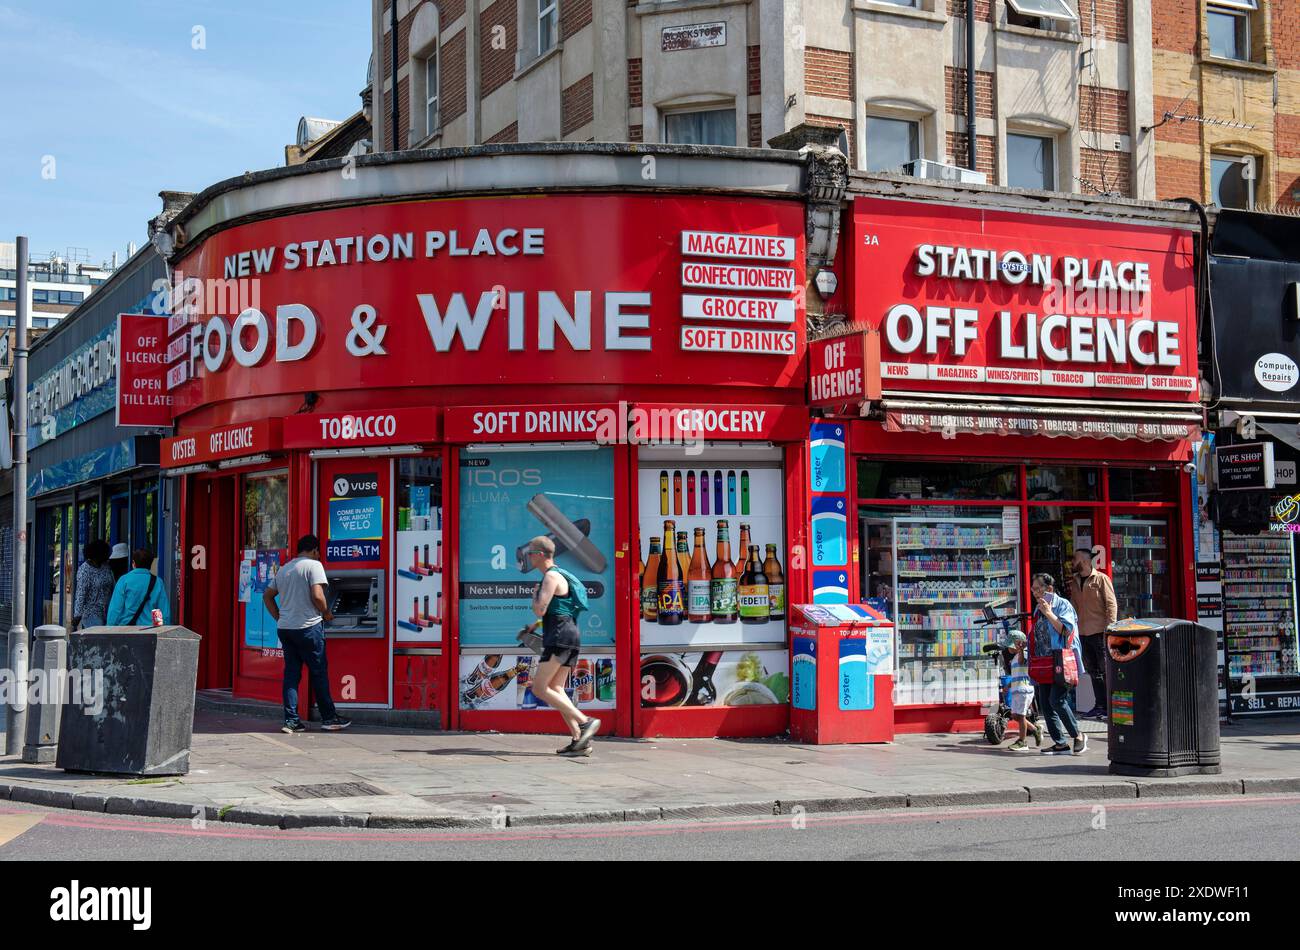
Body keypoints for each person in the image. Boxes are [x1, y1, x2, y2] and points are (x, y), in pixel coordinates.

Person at [263, 535, 351, 734]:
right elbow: (318, 595)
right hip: (308, 628)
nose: (319, 556)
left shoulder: (285, 569)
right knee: (318, 672)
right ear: (313, 550)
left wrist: (279, 617)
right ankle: (329, 718)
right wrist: (327, 613)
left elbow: (267, 596)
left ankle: (292, 721)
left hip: (286, 629)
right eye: (318, 552)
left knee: (291, 675)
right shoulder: (313, 566)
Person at [525, 536, 601, 756]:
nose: (529, 557)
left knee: (540, 688)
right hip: (570, 634)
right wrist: (537, 625)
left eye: (530, 553)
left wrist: (534, 597)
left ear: (540, 555)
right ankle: (579, 741)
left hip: (559, 637)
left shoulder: (550, 577)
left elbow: (540, 609)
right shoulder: (561, 574)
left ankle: (586, 721)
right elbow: (556, 611)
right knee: (556, 688)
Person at [1027, 573, 1087, 756]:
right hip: (1043, 661)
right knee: (1046, 703)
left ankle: (1078, 736)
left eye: (1038, 589)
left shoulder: (1063, 605)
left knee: (1057, 700)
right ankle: (1060, 743)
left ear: (1049, 589)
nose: (1035, 592)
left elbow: (1065, 630)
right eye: (1033, 589)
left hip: (1061, 659)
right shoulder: (1038, 609)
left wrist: (1049, 612)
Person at [1069, 548, 1117, 720]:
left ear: (1084, 560)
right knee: (1093, 671)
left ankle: (1111, 708)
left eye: (1075, 559)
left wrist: (1109, 630)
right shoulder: (1074, 582)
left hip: (1099, 632)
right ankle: (1100, 706)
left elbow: (1111, 606)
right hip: (1082, 634)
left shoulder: (1101, 579)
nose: (1072, 562)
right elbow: (1073, 608)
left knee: (1105, 671)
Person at [106, 548, 171, 626]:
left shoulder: (124, 580)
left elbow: (115, 609)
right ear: (150, 564)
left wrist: (110, 627)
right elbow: (163, 610)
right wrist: (161, 627)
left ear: (133, 563)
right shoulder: (157, 582)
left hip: (126, 630)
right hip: (149, 630)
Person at [1001, 631, 1042, 752]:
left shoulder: (1023, 654)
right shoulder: (1014, 657)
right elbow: (1016, 674)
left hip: (1024, 690)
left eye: (1010, 645)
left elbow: (1021, 661)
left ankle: (1022, 741)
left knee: (1021, 715)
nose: (1008, 648)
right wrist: (1008, 685)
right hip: (1016, 689)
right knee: (1015, 716)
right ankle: (1035, 729)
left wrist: (1020, 650)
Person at [72, 539, 115, 630]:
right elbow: (81, 593)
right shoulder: (84, 570)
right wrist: (77, 615)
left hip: (107, 611)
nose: (107, 556)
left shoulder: (105, 567)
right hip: (91, 614)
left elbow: (112, 586)